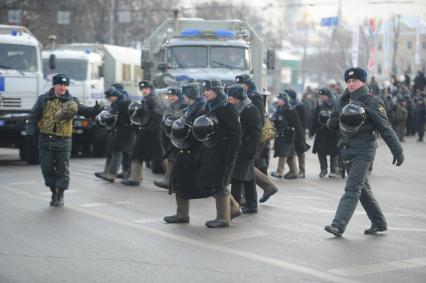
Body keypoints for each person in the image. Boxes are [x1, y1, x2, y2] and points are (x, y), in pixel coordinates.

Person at [324, 67, 404, 237]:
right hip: (346, 149)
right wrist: (330, 120)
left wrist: (397, 151)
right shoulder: (341, 100)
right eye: (348, 81)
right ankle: (379, 222)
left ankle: (338, 225)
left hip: (364, 150)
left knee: (352, 188)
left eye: (355, 81)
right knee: (363, 190)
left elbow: (386, 128)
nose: (351, 84)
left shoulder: (372, 102)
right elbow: (332, 123)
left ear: (363, 81)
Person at [164, 81, 242, 227]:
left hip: (221, 152)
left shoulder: (226, 107)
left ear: (217, 91)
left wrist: (231, 155)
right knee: (197, 181)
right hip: (209, 149)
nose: (205, 93)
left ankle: (224, 217)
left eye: (208, 90)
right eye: (205, 90)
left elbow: (236, 134)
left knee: (219, 184)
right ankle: (182, 213)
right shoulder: (208, 106)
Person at [25, 74, 102, 207]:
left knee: (62, 168)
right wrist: (30, 133)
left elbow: (86, 111)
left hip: (64, 139)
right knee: (47, 168)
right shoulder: (43, 99)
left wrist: (96, 109)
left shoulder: (72, 101)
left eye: (65, 85)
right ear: (54, 85)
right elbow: (33, 117)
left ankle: (60, 194)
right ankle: (53, 191)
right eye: (60, 84)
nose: (63, 87)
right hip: (46, 139)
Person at [235, 74, 278, 203]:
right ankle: (267, 188)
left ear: (247, 86)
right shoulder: (247, 97)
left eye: (241, 85)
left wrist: (250, 139)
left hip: (255, 138)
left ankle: (247, 196)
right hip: (250, 137)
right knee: (246, 166)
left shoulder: (255, 98)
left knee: (244, 166)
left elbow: (257, 122)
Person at [121, 81, 166, 186]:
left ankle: (173, 179)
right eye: (142, 89)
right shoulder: (146, 100)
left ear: (150, 89)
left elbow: (159, 115)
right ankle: (134, 179)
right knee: (137, 154)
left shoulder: (154, 99)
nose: (143, 90)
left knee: (159, 157)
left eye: (146, 88)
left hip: (153, 132)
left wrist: (149, 128)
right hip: (145, 131)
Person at [227, 84, 262, 214]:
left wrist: (251, 151)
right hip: (240, 148)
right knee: (249, 178)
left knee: (237, 177)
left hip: (246, 149)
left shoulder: (251, 109)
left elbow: (256, 133)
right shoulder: (239, 108)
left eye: (231, 98)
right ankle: (252, 205)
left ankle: (234, 206)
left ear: (238, 98)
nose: (229, 101)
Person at [94, 86, 135, 183]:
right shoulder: (117, 103)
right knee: (124, 152)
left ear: (114, 96)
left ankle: (111, 174)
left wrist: (113, 119)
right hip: (119, 129)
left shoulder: (124, 103)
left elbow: (125, 117)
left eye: (110, 97)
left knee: (117, 151)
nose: (109, 99)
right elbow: (112, 115)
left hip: (126, 130)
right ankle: (126, 172)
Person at [154, 87, 187, 189]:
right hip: (171, 136)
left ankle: (173, 181)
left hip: (181, 137)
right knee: (171, 158)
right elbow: (166, 117)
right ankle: (168, 181)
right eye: (169, 96)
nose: (171, 98)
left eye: (173, 96)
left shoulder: (183, 106)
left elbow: (181, 120)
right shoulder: (171, 106)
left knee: (177, 160)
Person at [270, 92, 304, 179]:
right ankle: (294, 171)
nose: (278, 101)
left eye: (280, 99)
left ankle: (279, 172)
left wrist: (300, 138)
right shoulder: (279, 109)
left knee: (283, 152)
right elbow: (276, 120)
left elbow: (297, 124)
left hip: (288, 135)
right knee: (290, 154)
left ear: (285, 100)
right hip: (280, 134)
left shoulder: (290, 110)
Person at [310, 87, 339, 178]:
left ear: (328, 95)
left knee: (334, 153)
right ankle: (323, 169)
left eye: (323, 95)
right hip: (321, 133)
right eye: (320, 95)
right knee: (320, 152)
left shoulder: (336, 105)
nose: (321, 97)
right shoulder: (320, 106)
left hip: (332, 133)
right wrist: (312, 131)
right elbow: (314, 119)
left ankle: (334, 170)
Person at [286, 89, 310, 178]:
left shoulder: (300, 106)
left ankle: (302, 171)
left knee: (300, 152)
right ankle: (293, 170)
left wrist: (302, 132)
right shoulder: (287, 106)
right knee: (289, 152)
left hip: (299, 132)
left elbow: (304, 121)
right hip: (290, 132)